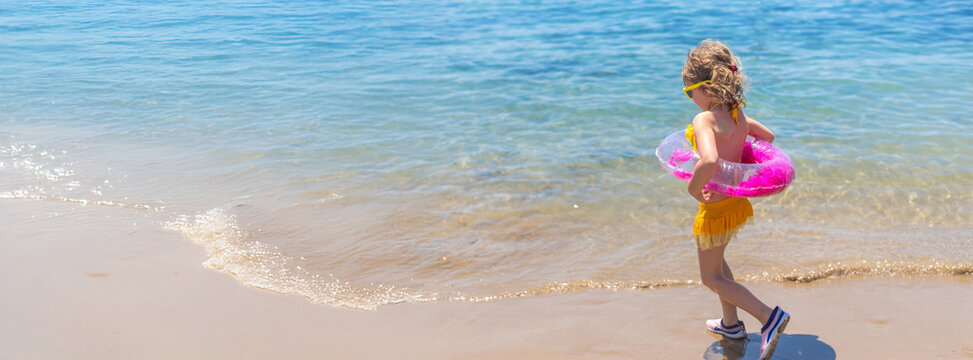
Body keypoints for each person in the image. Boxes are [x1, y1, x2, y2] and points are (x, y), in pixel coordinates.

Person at [681, 39, 789, 360]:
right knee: (719, 264)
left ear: (706, 87)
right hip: (735, 205)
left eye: (690, 92)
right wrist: (738, 172)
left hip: (713, 208)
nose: (691, 100)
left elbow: (709, 160)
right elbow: (767, 138)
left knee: (709, 277)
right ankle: (730, 325)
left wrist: (693, 189)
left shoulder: (705, 120)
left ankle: (769, 316)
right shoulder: (736, 113)